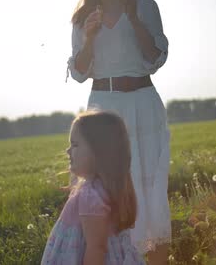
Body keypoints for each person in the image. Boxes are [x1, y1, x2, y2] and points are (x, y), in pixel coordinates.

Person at [66, 0, 171, 264]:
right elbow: (80, 72)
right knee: (108, 183)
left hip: (142, 100)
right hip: (104, 106)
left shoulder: (146, 6)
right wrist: (90, 39)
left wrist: (133, 18)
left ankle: (156, 256)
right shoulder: (82, 17)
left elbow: (155, 57)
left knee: (150, 182)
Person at [40, 110, 144, 264]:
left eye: (75, 144)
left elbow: (96, 248)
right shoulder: (109, 188)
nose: (67, 151)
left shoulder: (90, 195)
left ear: (99, 152)